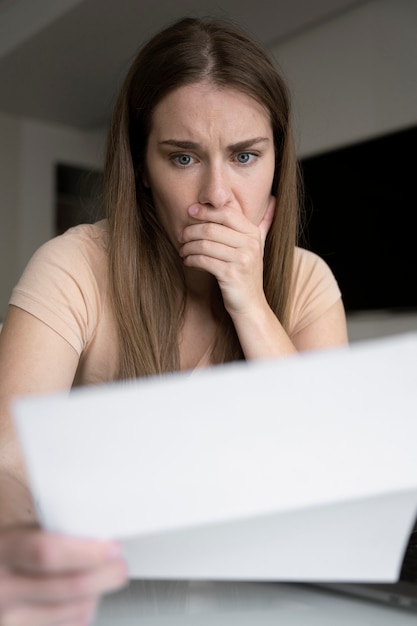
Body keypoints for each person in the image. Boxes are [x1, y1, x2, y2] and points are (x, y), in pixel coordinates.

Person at [0, 16, 348, 625]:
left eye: (245, 156)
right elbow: (6, 460)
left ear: (277, 159)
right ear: (141, 167)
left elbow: (331, 469)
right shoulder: (74, 266)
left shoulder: (309, 281)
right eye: (184, 157)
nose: (217, 194)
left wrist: (249, 301)